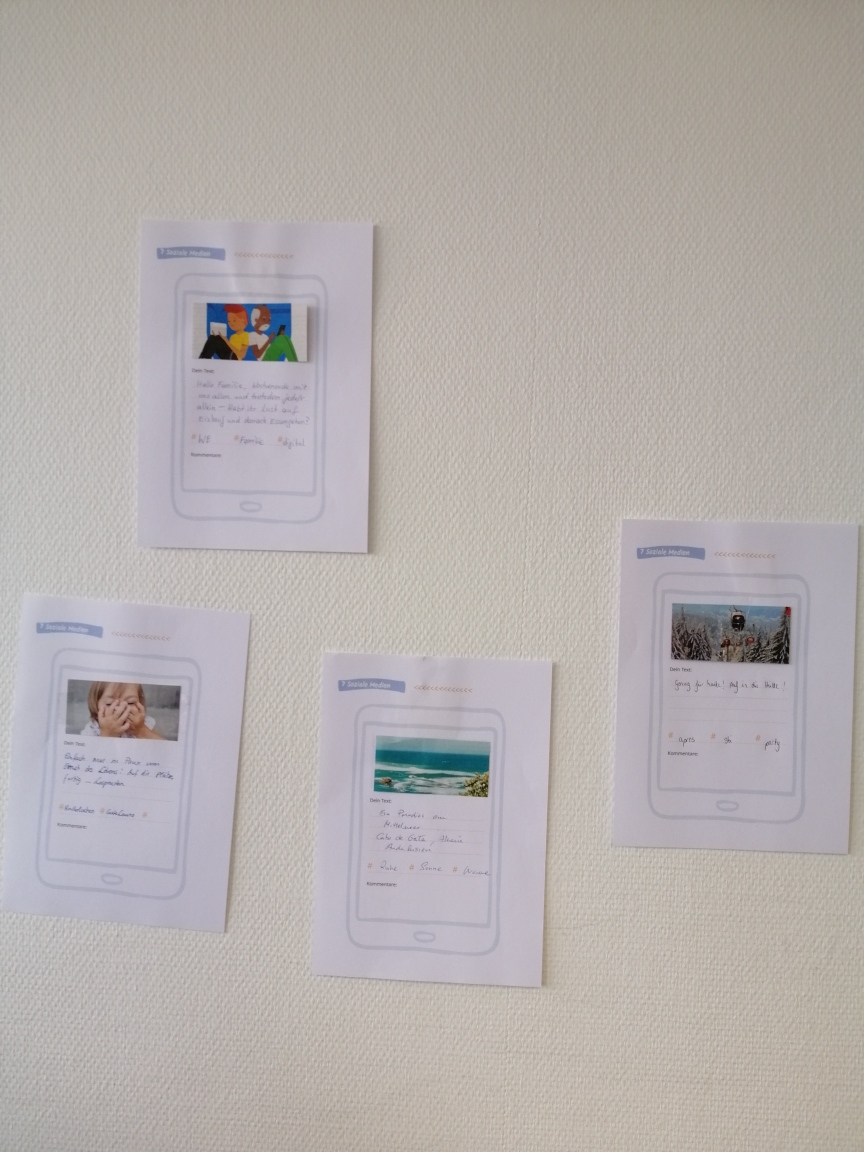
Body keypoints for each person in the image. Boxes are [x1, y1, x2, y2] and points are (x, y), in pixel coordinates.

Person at [81, 682, 165, 739]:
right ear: (96, 706)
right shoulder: (93, 729)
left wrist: (141, 730)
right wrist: (107, 734)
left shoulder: (143, 723)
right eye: (110, 704)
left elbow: (164, 749)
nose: (121, 709)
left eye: (130, 702)